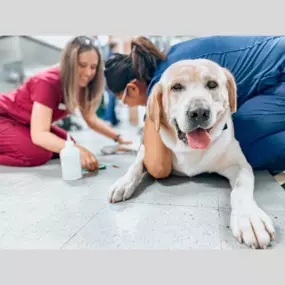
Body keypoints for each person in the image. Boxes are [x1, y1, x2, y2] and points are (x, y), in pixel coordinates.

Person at [104, 35, 285, 177]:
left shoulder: (165, 79)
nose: (128, 105)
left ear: (132, 89)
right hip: (274, 75)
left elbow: (158, 167)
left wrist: (145, 149)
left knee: (239, 145)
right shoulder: (169, 61)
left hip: (281, 72)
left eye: (124, 101)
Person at [0, 36, 132, 170]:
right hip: (4, 116)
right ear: (70, 62)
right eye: (82, 65)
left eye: (93, 67)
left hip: (25, 122)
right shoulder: (47, 82)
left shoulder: (81, 86)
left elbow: (91, 119)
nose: (88, 72)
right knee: (39, 154)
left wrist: (118, 137)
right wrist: (78, 150)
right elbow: (39, 134)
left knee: (68, 144)